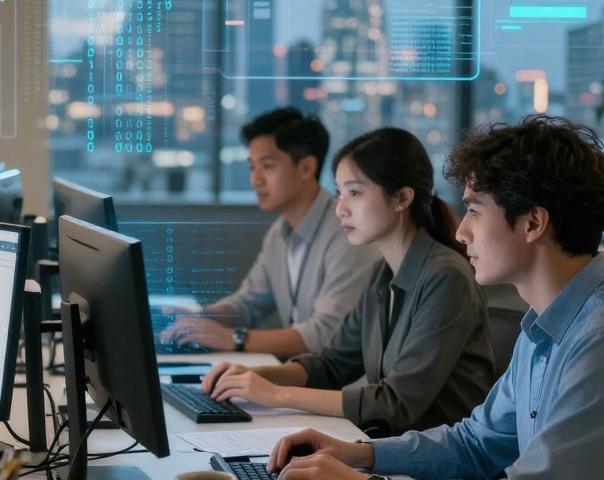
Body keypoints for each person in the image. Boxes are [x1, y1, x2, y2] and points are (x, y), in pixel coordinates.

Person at [267, 117, 604, 480]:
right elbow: (476, 444)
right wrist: (361, 455)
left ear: (533, 222)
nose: (461, 232)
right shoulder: (548, 324)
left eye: (475, 210)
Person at [202, 127, 494, 436]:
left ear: (401, 198)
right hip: (393, 451)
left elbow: (395, 403)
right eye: (339, 193)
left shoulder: (445, 277)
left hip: (438, 468)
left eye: (354, 192)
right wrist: (254, 376)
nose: (340, 208)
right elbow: (331, 365)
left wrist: (276, 395)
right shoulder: (383, 274)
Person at [161, 107, 378, 356]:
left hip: (336, 389)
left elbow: (325, 335)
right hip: (298, 377)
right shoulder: (280, 232)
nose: (256, 180)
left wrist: (233, 338)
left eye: (267, 166)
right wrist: (203, 316)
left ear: (307, 167)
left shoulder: (347, 234)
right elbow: (249, 303)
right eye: (253, 167)